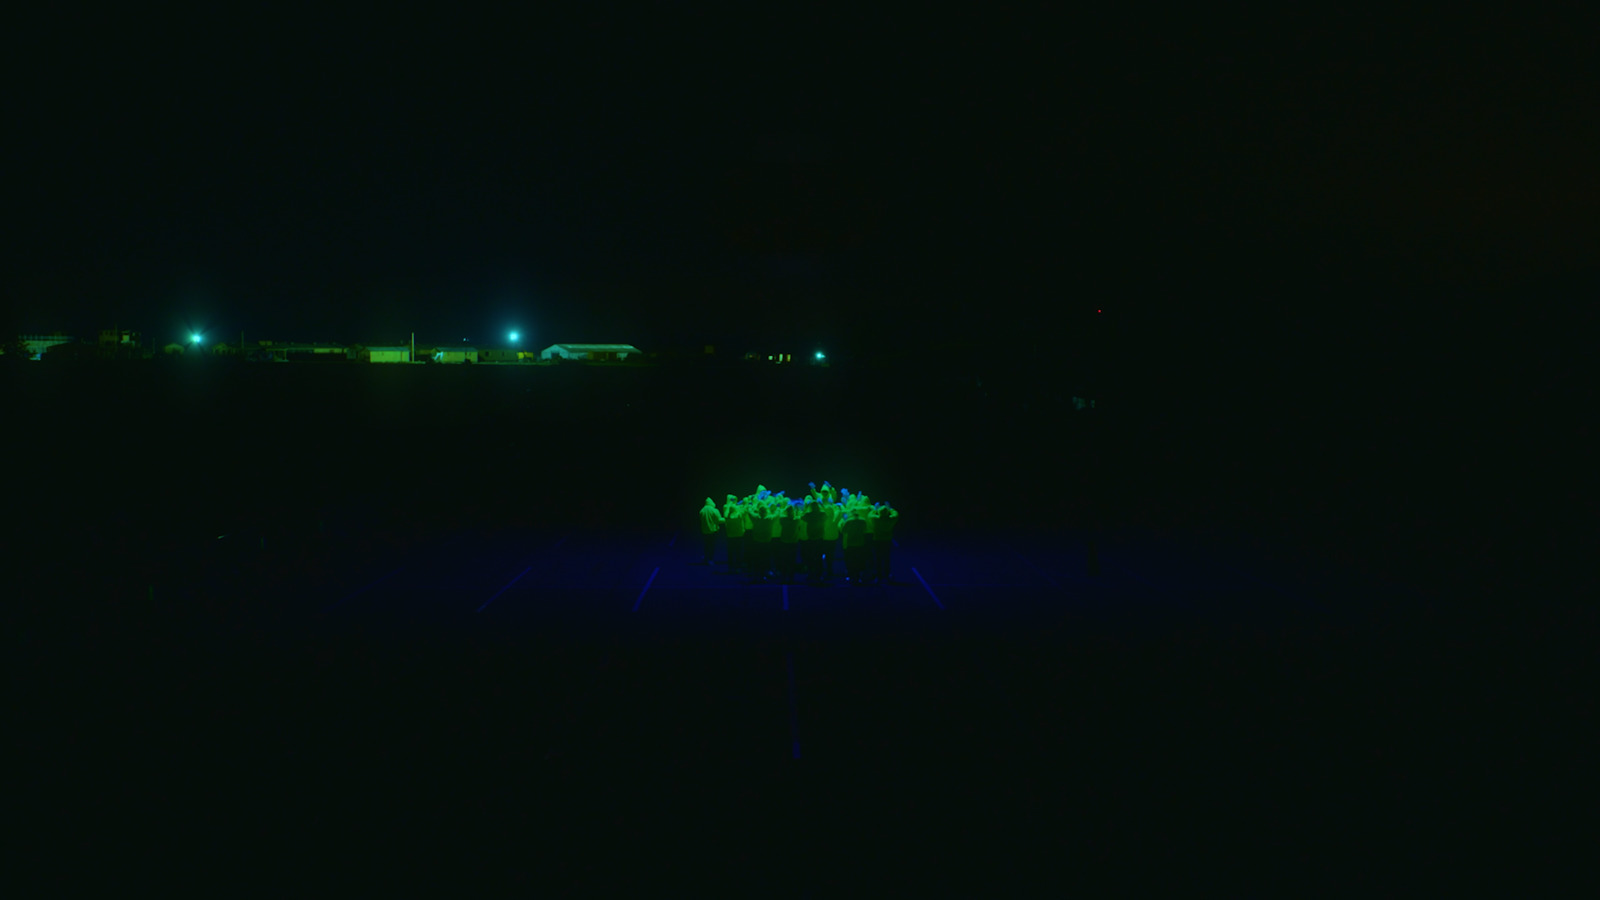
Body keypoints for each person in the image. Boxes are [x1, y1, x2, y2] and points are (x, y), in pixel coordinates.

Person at [868, 501, 898, 582]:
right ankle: (887, 575)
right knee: (886, 558)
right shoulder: (891, 519)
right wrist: (889, 508)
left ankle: (878, 576)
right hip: (887, 540)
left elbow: (869, 515)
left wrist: (875, 509)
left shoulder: (875, 519)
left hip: (877, 540)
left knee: (878, 559)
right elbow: (896, 514)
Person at [839, 506, 870, 584]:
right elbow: (865, 530)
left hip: (851, 543)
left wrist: (844, 521)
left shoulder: (849, 521)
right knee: (859, 560)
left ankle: (851, 576)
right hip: (860, 543)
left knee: (851, 561)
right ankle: (860, 576)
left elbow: (843, 531)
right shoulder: (863, 520)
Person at [801, 496, 828, 582]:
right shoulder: (821, 514)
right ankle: (818, 575)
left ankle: (812, 574)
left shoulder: (809, 515)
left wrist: (806, 507)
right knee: (818, 558)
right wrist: (821, 505)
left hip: (812, 539)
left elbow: (802, 516)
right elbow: (826, 515)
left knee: (812, 558)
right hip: (818, 539)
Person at [776, 499, 802, 583]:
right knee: (792, 561)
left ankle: (783, 577)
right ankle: (791, 577)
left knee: (784, 561)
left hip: (784, 542)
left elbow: (781, 513)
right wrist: (797, 509)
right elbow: (799, 514)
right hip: (793, 543)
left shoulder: (783, 520)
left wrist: (785, 509)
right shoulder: (796, 520)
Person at [721, 493, 746, 571]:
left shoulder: (727, 513)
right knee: (738, 551)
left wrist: (730, 503)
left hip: (730, 535)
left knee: (731, 552)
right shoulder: (739, 514)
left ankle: (731, 567)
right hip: (739, 534)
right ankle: (738, 566)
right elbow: (745, 509)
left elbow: (726, 513)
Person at [698, 497, 724, 564]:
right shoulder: (714, 510)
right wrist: (727, 519)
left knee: (706, 546)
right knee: (712, 546)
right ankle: (710, 559)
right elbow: (719, 520)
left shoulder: (702, 510)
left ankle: (706, 558)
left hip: (704, 531)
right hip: (713, 531)